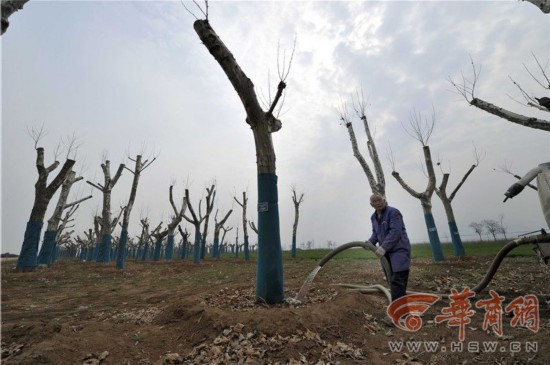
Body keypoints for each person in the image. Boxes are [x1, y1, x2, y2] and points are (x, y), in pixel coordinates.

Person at [367, 194, 411, 302]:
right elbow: (376, 233)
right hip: (385, 253)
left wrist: (383, 247)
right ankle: (398, 311)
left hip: (399, 251)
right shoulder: (373, 217)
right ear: (371, 204)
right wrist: (370, 242)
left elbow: (395, 232)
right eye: (375, 201)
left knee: (398, 281)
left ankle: (400, 314)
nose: (378, 202)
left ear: (384, 200)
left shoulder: (393, 212)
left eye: (380, 200)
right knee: (391, 282)